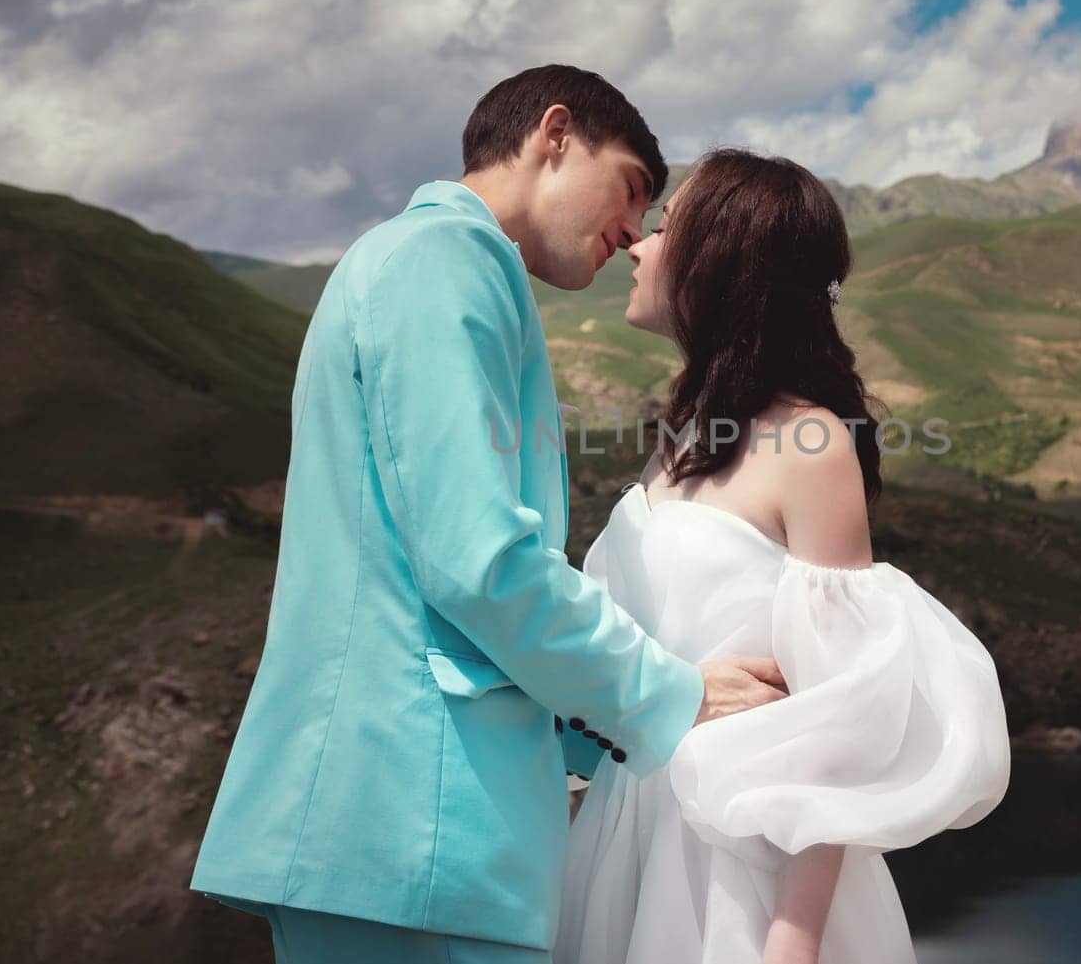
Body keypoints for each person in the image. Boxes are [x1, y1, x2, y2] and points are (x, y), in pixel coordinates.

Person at [188, 67, 788, 963]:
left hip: (410, 831)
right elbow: (478, 560)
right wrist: (675, 694)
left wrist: (574, 756)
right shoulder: (442, 261)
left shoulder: (422, 265)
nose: (633, 228)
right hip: (415, 826)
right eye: (631, 186)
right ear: (555, 134)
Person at [554, 149, 1013, 964]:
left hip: (733, 876)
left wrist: (789, 945)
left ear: (721, 258)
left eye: (664, 227)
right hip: (621, 841)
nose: (637, 245)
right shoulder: (688, 438)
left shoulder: (813, 445)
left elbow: (842, 719)